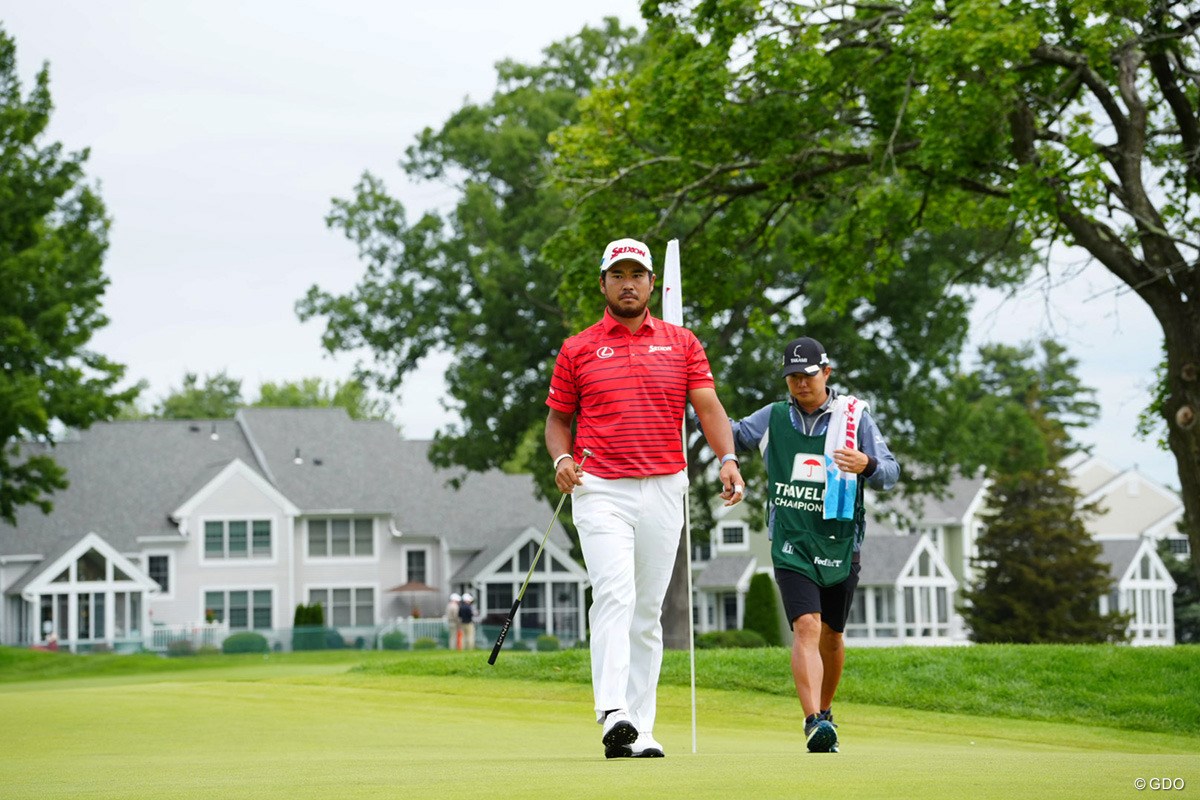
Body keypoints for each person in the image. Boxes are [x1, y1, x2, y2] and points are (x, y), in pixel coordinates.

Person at [545, 236, 745, 760]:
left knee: (648, 611)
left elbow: (708, 407)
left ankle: (641, 729)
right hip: (599, 488)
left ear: (652, 283)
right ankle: (614, 711)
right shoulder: (577, 348)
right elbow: (558, 420)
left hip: (664, 486)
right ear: (603, 284)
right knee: (615, 594)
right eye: (618, 275)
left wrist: (727, 459)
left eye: (637, 274)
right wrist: (561, 459)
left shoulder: (682, 343)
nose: (628, 283)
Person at [729, 336, 899, 753]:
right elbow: (730, 435)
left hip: (840, 541)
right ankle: (812, 722)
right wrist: (689, 404)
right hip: (791, 541)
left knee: (832, 634)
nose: (801, 384)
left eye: (807, 375)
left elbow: (890, 473)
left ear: (826, 372)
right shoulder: (772, 417)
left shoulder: (854, 418)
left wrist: (867, 464)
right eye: (792, 377)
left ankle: (825, 713)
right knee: (806, 625)